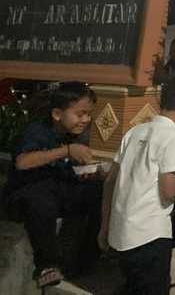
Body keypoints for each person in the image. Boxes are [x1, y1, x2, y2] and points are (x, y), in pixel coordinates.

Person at [100, 77, 175, 295]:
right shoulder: (174, 137)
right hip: (150, 235)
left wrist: (105, 226)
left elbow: (110, 182)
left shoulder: (135, 132)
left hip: (122, 234)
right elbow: (169, 190)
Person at [3, 82, 103, 289]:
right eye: (80, 114)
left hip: (58, 192)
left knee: (98, 192)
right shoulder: (37, 131)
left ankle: (84, 259)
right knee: (41, 197)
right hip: (25, 196)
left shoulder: (75, 135)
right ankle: (47, 266)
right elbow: (23, 162)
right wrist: (66, 151)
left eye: (88, 114)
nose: (86, 119)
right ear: (57, 114)